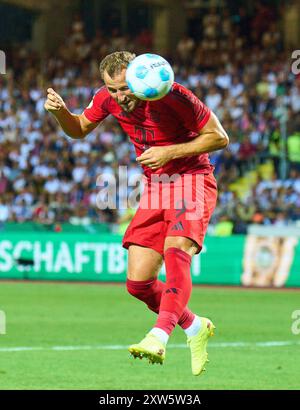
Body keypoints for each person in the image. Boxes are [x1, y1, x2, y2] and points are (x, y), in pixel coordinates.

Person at [44, 51, 229, 375]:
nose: (118, 97)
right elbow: (79, 128)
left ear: (137, 78)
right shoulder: (107, 99)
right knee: (138, 284)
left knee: (176, 252)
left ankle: (159, 336)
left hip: (192, 179)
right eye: (111, 89)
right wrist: (61, 113)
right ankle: (194, 326)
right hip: (156, 187)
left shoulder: (176, 96)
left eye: (123, 89)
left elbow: (219, 137)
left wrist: (170, 151)